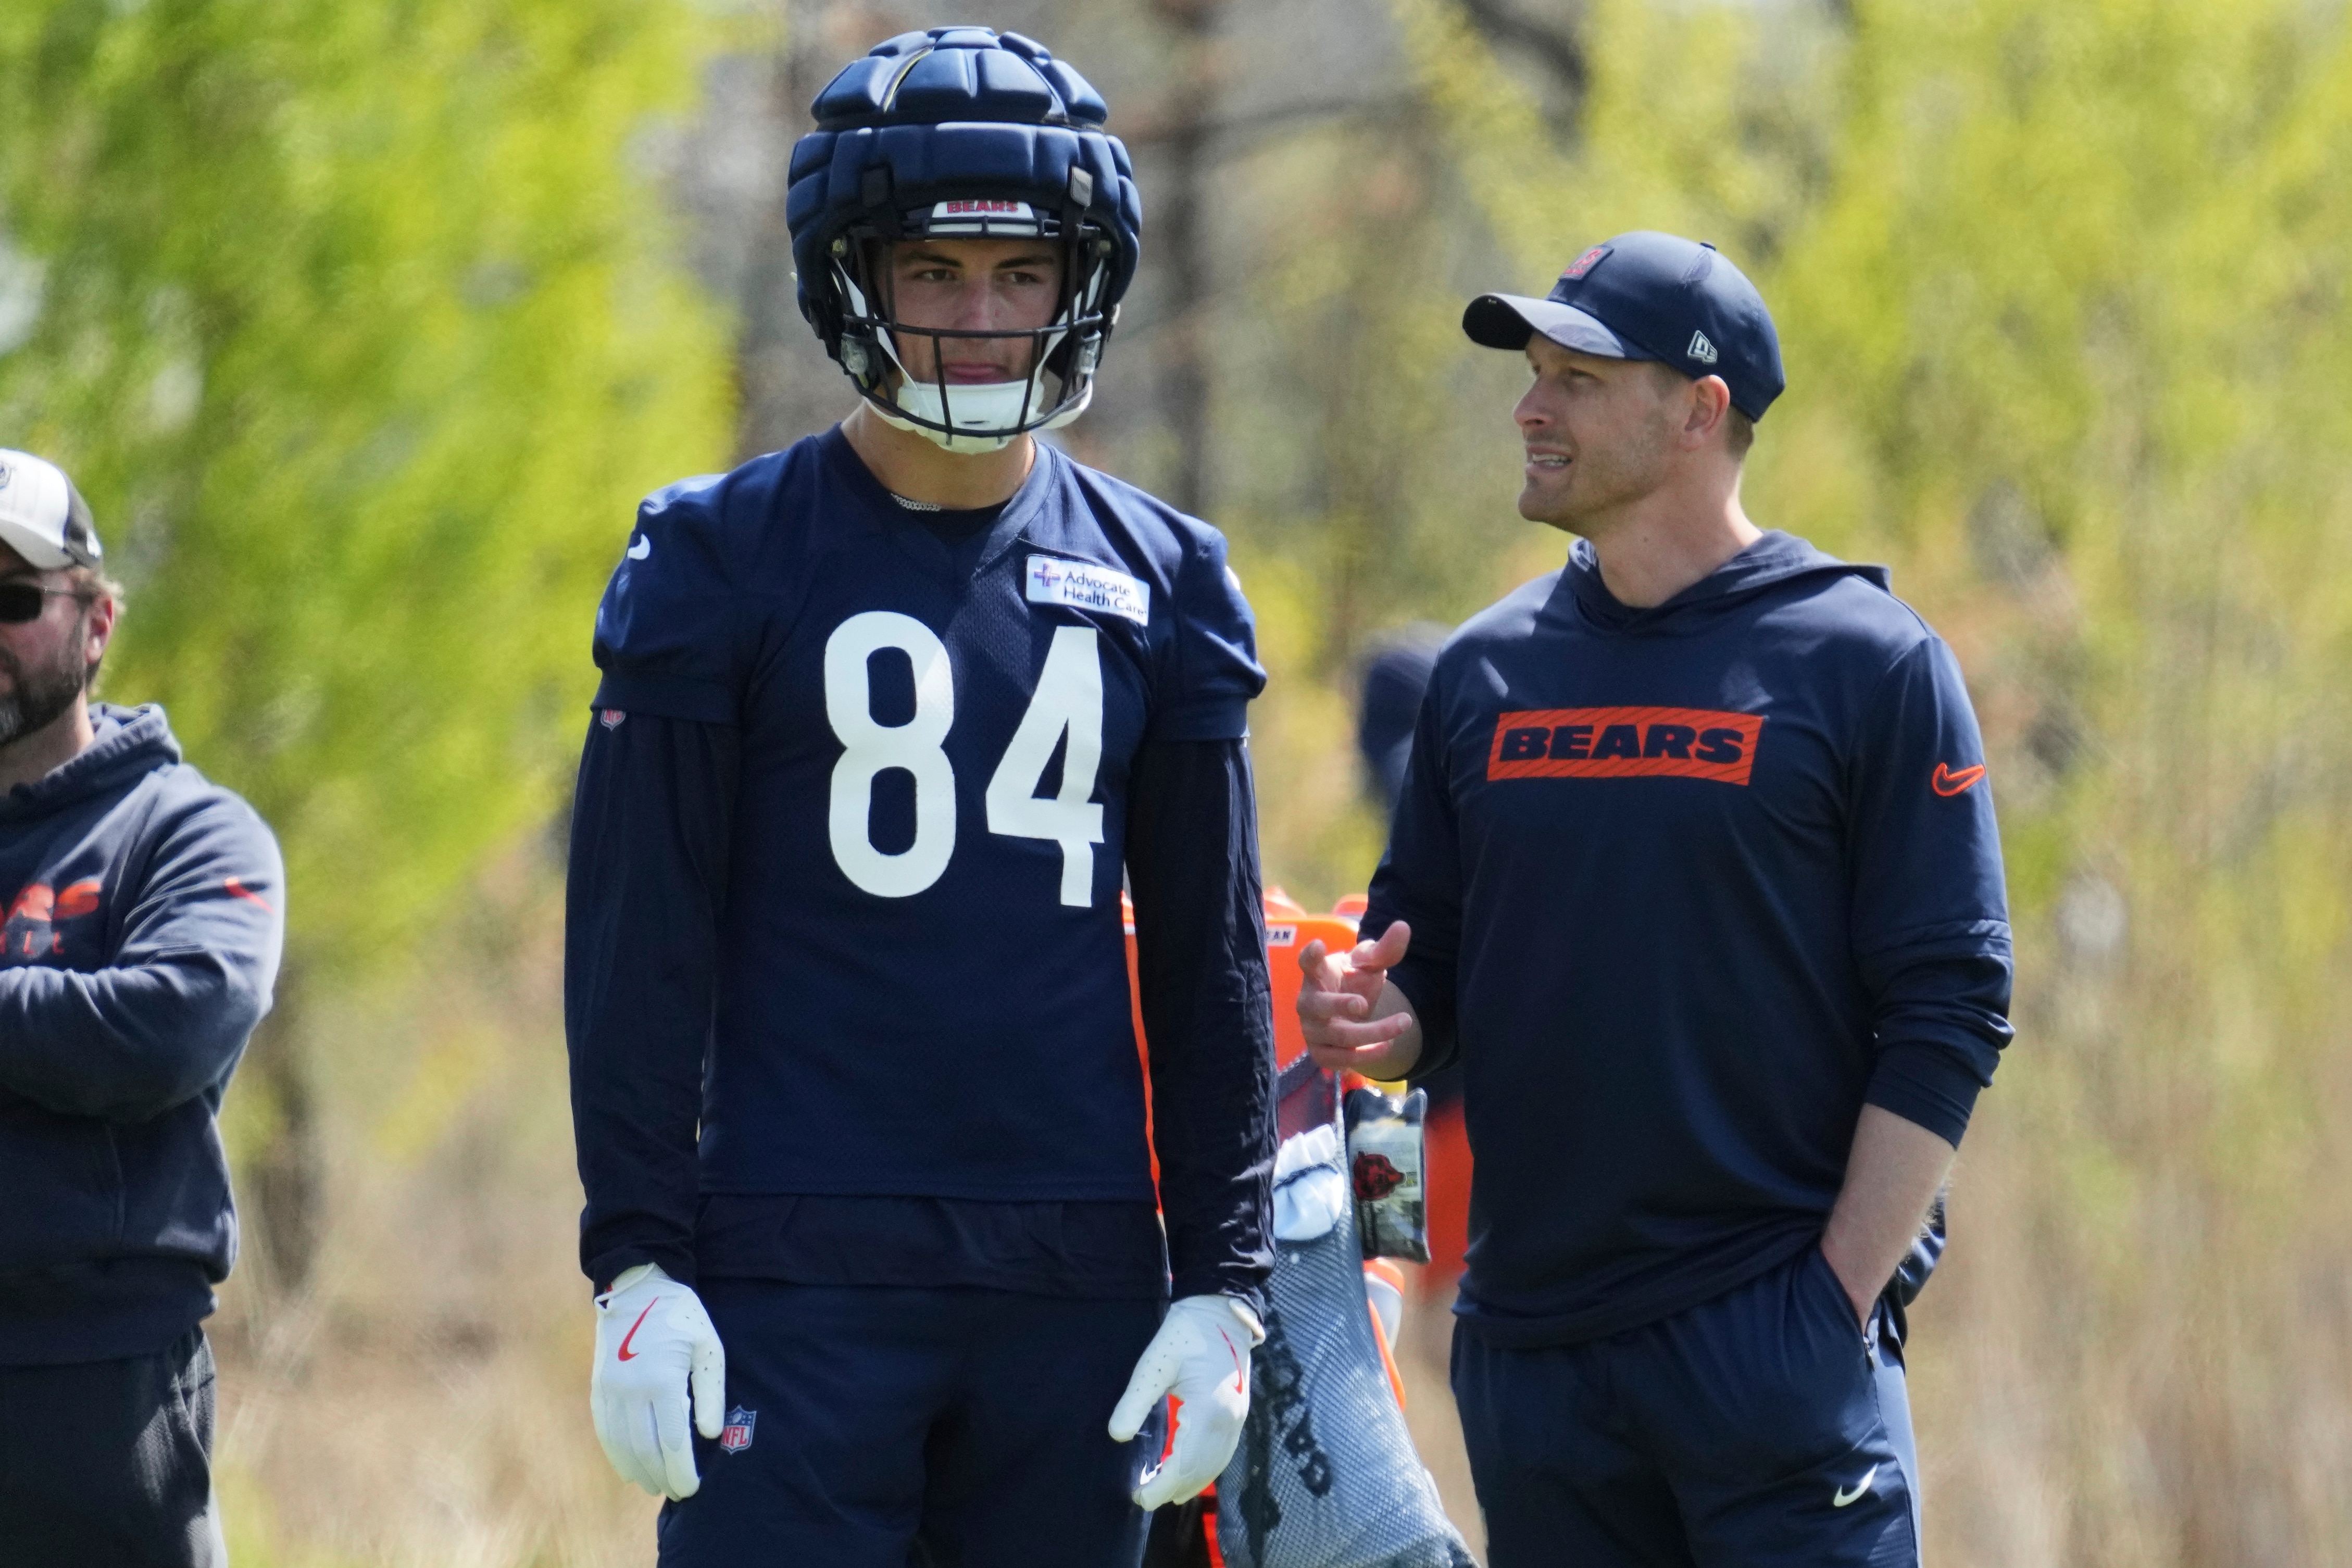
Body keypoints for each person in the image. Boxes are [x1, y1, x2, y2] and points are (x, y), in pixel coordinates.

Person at [564, 28, 1276, 1568]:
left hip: (1075, 1267)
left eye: (1021, 272)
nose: (979, 315)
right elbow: (637, 939)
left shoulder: (1164, 577)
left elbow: (1210, 968)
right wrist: (635, 1259)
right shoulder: (719, 556)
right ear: (851, 276)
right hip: (794, 1257)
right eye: (934, 271)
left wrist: (1225, 1283)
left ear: (1081, 282)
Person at [1296, 232, 2013, 1566]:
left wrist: (1831, 1303)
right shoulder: (1480, 674)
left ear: (1697, 411)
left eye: (1575, 378)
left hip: (1770, 1346)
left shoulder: (1865, 663)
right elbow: (1426, 975)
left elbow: (1952, 1006)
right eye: (1531, 374)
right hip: (1536, 1366)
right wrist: (1373, 1021)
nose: (1529, 407)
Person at [0, 448, 286, 1566]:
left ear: (98, 621)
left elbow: (164, 1029)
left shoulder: (185, 834)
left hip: (94, 1394)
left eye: (14, 600)